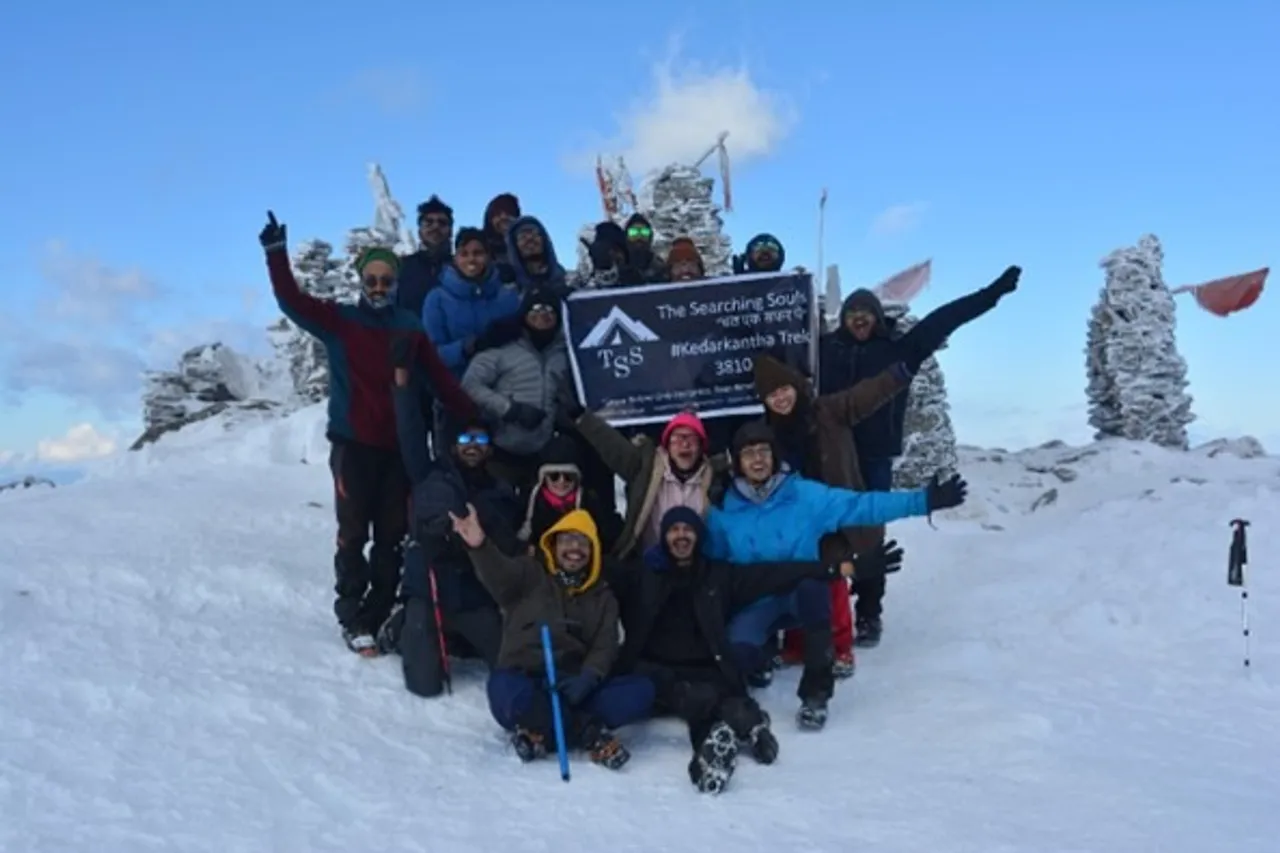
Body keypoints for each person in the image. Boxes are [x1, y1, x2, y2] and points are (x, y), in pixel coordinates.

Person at [258, 211, 478, 654]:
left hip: (399, 447)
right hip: (353, 445)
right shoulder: (340, 320)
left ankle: (380, 611)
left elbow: (440, 381)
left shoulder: (409, 326)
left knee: (392, 533)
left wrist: (475, 417)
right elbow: (292, 302)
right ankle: (352, 613)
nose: (379, 287)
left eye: (386, 280)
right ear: (361, 282)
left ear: (395, 283)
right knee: (353, 532)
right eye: (372, 280)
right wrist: (276, 255)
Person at [610, 506, 903, 794]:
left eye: (688, 530)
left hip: (705, 668)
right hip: (652, 668)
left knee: (709, 697)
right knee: (638, 698)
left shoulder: (718, 575)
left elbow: (776, 574)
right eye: (674, 530)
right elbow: (597, 571)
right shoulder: (642, 575)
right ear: (664, 536)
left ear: (699, 537)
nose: (681, 536)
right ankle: (747, 725)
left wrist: (843, 568)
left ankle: (712, 759)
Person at [706, 421, 968, 729]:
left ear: (775, 456)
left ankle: (816, 695)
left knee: (815, 591)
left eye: (764, 450)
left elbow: (860, 505)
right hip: (755, 604)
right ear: (737, 462)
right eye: (748, 453)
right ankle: (760, 657)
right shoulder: (725, 511)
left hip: (798, 598)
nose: (758, 459)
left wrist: (921, 501)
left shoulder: (804, 496)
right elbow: (712, 567)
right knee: (737, 653)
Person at [819, 265, 1021, 646]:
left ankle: (868, 613)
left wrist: (989, 294)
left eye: (866, 315)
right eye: (851, 315)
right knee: (825, 528)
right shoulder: (824, 351)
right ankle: (824, 610)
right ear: (843, 320)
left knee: (868, 532)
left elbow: (943, 319)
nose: (859, 320)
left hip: (875, 456)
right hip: (833, 455)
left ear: (877, 319)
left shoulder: (897, 350)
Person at [752, 354, 922, 678]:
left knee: (831, 583)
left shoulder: (825, 412)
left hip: (831, 515)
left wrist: (900, 370)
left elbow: (866, 395)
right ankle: (797, 643)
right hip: (794, 519)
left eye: (784, 389)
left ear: (796, 387)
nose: (780, 398)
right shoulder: (769, 433)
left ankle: (841, 647)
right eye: (772, 395)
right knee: (793, 579)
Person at [449, 505, 654, 770]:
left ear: (592, 551)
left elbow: (605, 645)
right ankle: (586, 733)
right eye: (567, 540)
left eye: (583, 542)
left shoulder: (603, 597)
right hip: (525, 680)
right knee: (503, 690)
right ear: (554, 544)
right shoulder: (529, 574)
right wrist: (479, 546)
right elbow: (498, 575)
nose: (574, 549)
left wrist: (588, 677)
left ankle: (540, 733)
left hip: (573, 687)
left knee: (640, 691)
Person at [378, 348, 518, 696]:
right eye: (466, 439)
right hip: (430, 589)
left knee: (511, 664)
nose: (473, 446)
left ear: (489, 448)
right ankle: (401, 624)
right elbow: (409, 429)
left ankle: (460, 639)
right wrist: (402, 386)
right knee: (426, 686)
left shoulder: (500, 490)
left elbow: (505, 542)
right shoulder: (428, 473)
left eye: (480, 440)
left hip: (473, 594)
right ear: (454, 445)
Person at [558, 398, 726, 559]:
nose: (684, 444)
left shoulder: (715, 479)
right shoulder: (645, 468)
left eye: (692, 438)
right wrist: (580, 416)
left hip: (695, 567)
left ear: (701, 447)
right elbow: (611, 445)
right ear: (666, 445)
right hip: (647, 565)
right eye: (677, 437)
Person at [460, 285, 569, 485]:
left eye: (549, 310)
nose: (542, 315)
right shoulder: (502, 347)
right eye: (535, 309)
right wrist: (510, 409)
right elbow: (470, 384)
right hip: (502, 452)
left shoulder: (565, 354)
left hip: (544, 453)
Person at [422, 227, 522, 377]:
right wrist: (466, 347)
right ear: (455, 258)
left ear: (488, 256)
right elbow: (430, 354)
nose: (471, 259)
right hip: (456, 388)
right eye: (464, 254)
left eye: (478, 253)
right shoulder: (437, 298)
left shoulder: (508, 296)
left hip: (503, 385)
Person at [517, 433, 623, 555]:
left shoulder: (590, 502)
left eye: (568, 476)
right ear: (544, 478)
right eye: (554, 476)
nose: (561, 481)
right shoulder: (529, 501)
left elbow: (607, 538)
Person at [397, 195, 455, 315]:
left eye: (442, 223)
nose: (435, 227)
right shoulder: (401, 267)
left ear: (450, 231)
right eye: (429, 222)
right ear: (419, 231)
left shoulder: (461, 268)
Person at [506, 215, 568, 294]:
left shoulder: (565, 281)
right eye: (523, 237)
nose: (530, 239)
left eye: (534, 234)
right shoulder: (509, 290)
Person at [481, 193, 520, 282]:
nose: (504, 217)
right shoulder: (481, 250)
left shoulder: (527, 247)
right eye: (497, 214)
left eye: (509, 213)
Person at [623, 213, 668, 283]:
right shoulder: (619, 268)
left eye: (644, 232)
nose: (639, 237)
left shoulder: (660, 268)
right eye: (633, 232)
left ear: (650, 237)